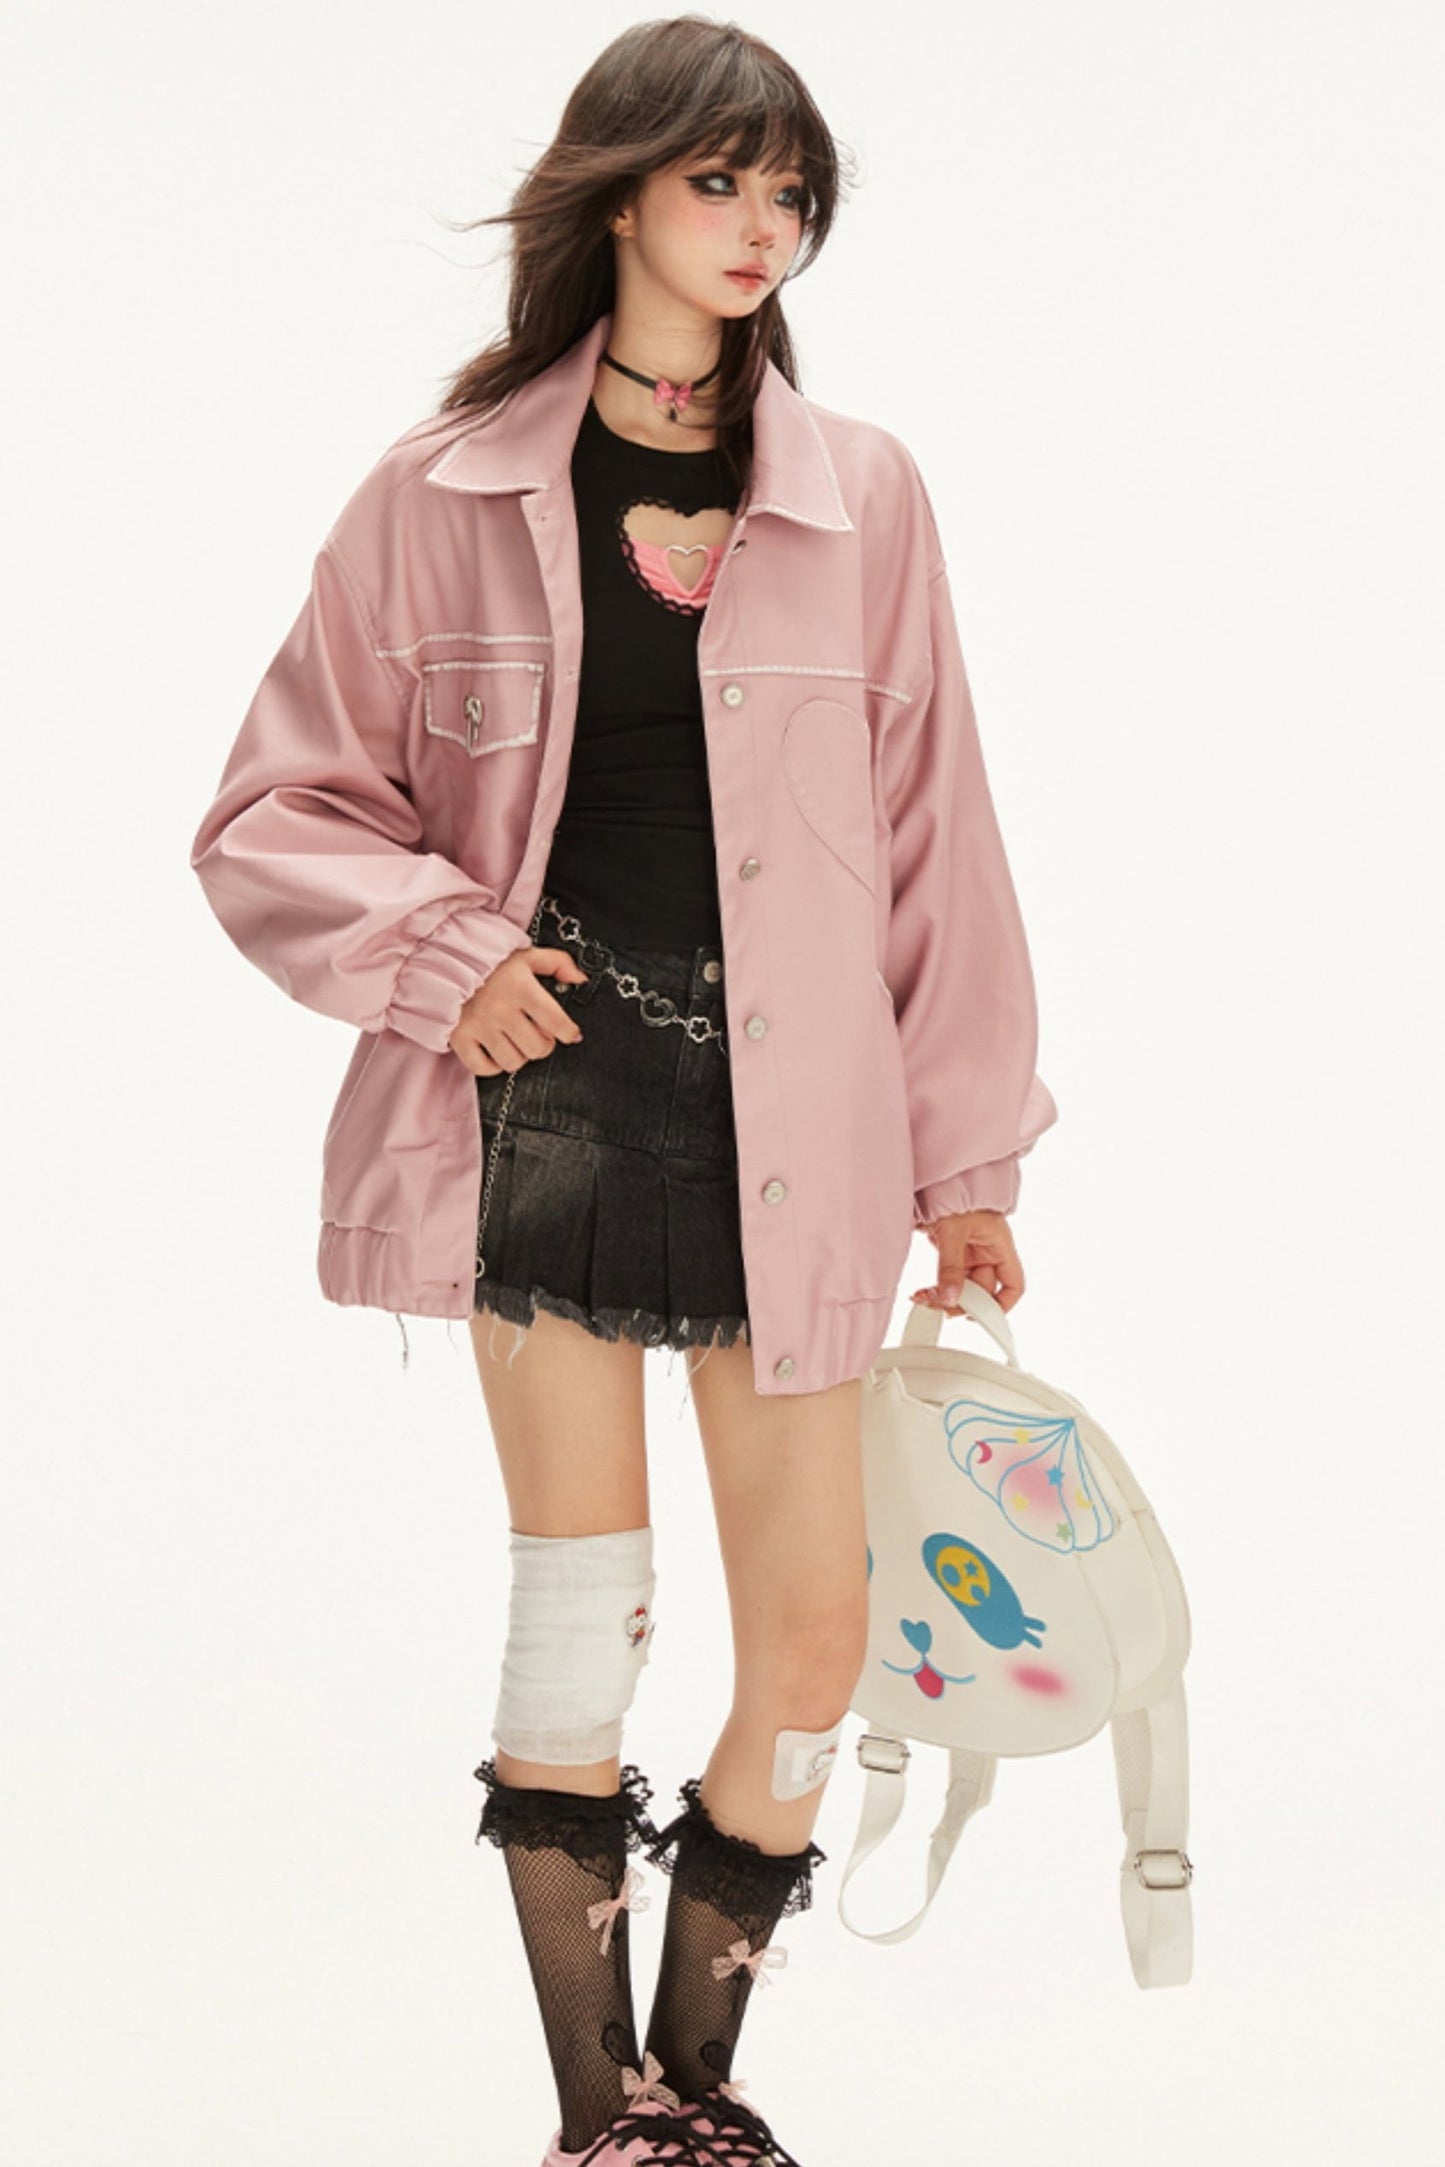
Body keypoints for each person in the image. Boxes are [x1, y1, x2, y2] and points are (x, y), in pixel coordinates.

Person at [189, 16, 1057, 2165]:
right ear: (621, 191)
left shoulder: (866, 498)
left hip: (803, 1127)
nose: (761, 228)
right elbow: (274, 811)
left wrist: (965, 1151)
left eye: (791, 194)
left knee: (814, 1643)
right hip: (551, 1113)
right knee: (586, 1619)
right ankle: (611, 2118)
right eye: (719, 183)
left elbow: (938, 838)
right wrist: (447, 957)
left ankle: (700, 2083)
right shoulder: (441, 494)